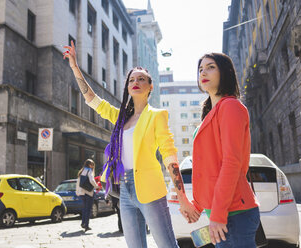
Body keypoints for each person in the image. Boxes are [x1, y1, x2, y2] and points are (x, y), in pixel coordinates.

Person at [64, 41, 200, 248]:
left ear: (150, 86)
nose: (135, 82)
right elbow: (92, 100)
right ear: (127, 86)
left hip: (150, 190)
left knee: (167, 245)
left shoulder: (157, 116)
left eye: (141, 79)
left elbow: (169, 156)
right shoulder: (121, 118)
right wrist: (75, 66)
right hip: (124, 191)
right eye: (132, 79)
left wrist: (182, 197)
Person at [192, 53, 260, 247]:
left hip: (234, 214)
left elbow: (231, 163)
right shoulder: (210, 114)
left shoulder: (230, 106)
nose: (203, 72)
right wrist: (198, 206)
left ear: (226, 72)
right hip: (221, 213)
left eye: (211, 67)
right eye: (200, 69)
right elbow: (208, 167)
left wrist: (219, 214)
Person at [76, 159, 99, 232]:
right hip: (88, 192)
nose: (92, 166)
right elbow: (92, 180)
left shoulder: (82, 171)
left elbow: (78, 183)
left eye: (93, 165)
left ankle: (83, 223)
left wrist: (77, 192)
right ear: (88, 165)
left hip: (82, 192)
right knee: (88, 209)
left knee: (85, 208)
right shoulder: (90, 171)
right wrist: (96, 186)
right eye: (91, 164)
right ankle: (86, 225)